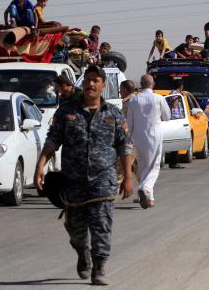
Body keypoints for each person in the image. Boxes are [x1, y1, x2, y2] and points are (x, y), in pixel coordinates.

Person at [34, 65, 133, 286]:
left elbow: (125, 146)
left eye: (96, 80)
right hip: (73, 181)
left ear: (103, 85)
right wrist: (40, 166)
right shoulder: (67, 112)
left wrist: (127, 176)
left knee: (102, 225)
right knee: (75, 229)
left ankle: (99, 266)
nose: (91, 84)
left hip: (103, 180)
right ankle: (83, 254)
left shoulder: (114, 115)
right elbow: (53, 140)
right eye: (88, 80)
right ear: (83, 83)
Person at [127, 75, 171, 208]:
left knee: (143, 165)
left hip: (138, 136)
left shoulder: (134, 100)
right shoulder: (159, 99)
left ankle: (149, 198)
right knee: (154, 165)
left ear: (140, 84)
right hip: (154, 135)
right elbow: (167, 116)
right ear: (153, 84)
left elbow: (129, 122)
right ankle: (144, 187)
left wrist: (129, 139)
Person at [167, 79, 185, 169]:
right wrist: (178, 97)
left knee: (178, 141)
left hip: (178, 118)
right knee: (176, 141)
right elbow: (174, 105)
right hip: (175, 119)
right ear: (181, 86)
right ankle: (173, 162)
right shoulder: (174, 94)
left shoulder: (176, 94)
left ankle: (174, 162)